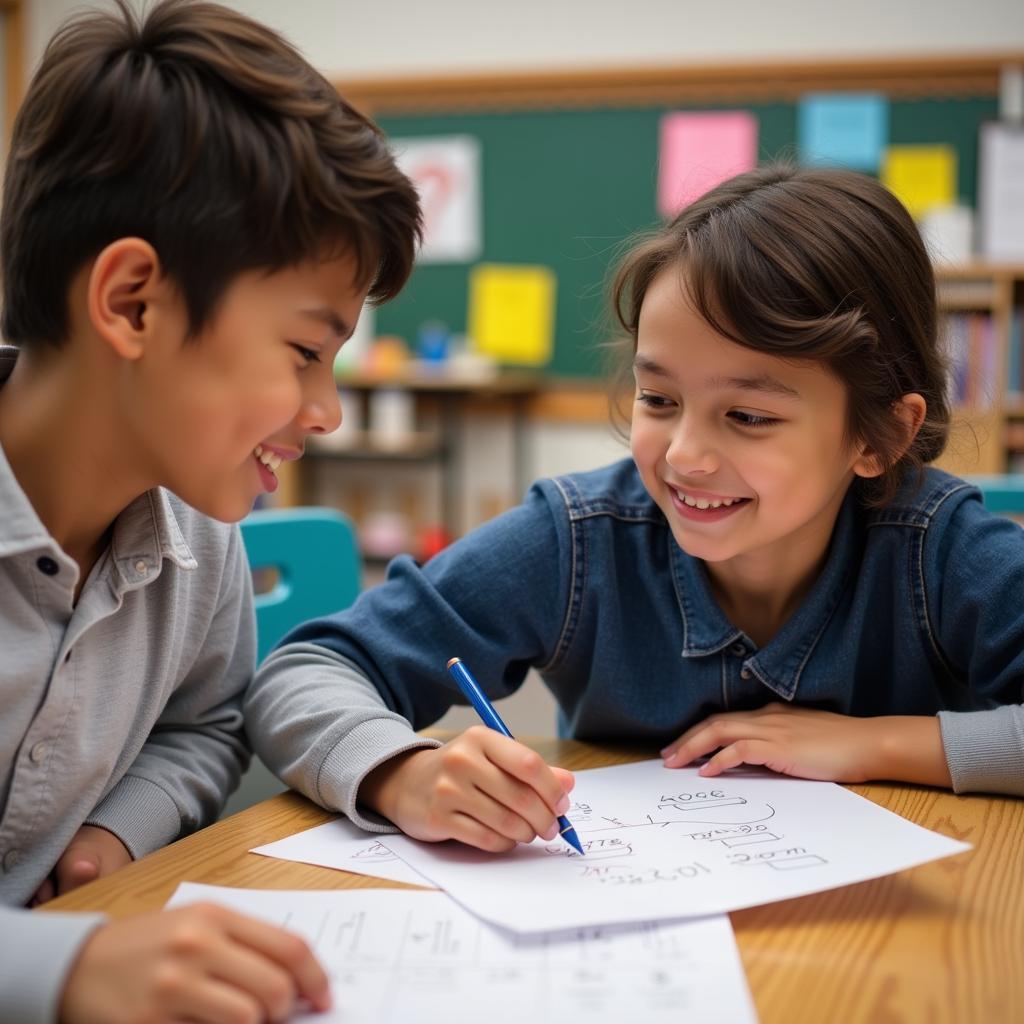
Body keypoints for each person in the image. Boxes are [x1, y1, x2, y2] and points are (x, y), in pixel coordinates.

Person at [245, 164, 1024, 857]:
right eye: (660, 399)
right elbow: (307, 672)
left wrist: (877, 745)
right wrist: (399, 772)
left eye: (747, 416)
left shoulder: (939, 549)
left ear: (881, 434)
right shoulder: (581, 540)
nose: (684, 453)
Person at [0, 0, 420, 1019]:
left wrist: (116, 836)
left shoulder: (200, 534)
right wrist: (64, 970)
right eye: (305, 353)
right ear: (134, 301)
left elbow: (203, 724)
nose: (324, 411)